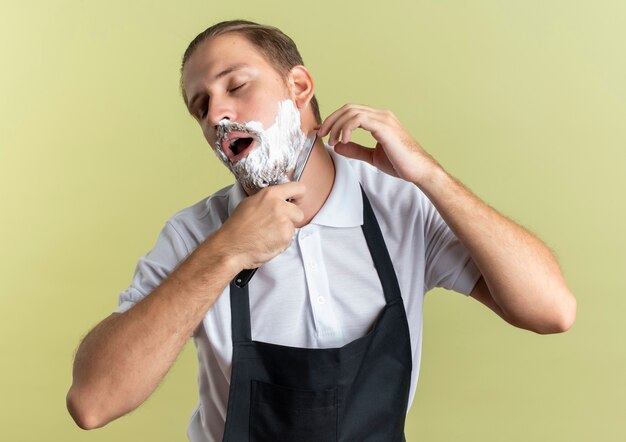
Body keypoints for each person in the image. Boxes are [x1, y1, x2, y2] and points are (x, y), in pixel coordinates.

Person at [66, 20, 576, 441]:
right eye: (201, 107)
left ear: (299, 86)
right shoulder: (195, 236)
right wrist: (226, 253)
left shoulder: (400, 207)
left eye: (236, 86)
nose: (217, 114)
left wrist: (428, 174)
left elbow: (551, 310)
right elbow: (93, 402)